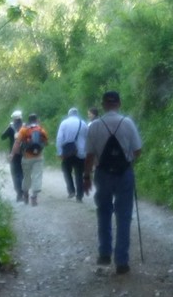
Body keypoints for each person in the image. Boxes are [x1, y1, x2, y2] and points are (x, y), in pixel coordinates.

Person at [83, 90, 143, 275]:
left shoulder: (94, 126)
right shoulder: (127, 123)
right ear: (119, 103)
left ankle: (104, 254)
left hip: (103, 173)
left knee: (104, 212)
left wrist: (86, 177)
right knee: (124, 216)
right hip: (124, 173)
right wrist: (126, 158)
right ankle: (122, 262)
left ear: (103, 105)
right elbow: (138, 150)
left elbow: (89, 155)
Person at [13, 113, 50, 206]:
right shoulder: (41, 129)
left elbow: (17, 143)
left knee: (26, 176)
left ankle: (25, 194)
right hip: (38, 157)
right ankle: (34, 196)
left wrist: (13, 154)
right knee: (37, 176)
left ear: (28, 120)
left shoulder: (23, 129)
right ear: (37, 120)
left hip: (26, 157)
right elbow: (46, 142)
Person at [55, 107, 88, 202]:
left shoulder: (64, 123)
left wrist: (59, 151)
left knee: (66, 170)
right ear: (77, 114)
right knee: (79, 174)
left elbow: (59, 138)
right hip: (80, 152)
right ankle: (79, 196)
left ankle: (71, 190)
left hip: (67, 152)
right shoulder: (83, 123)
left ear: (69, 114)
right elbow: (87, 138)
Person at [0, 110, 25, 203]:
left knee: (16, 174)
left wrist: (8, 127)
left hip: (13, 154)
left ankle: (19, 194)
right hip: (25, 154)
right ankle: (24, 192)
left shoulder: (11, 127)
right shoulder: (25, 126)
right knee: (23, 173)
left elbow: (2, 137)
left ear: (14, 119)